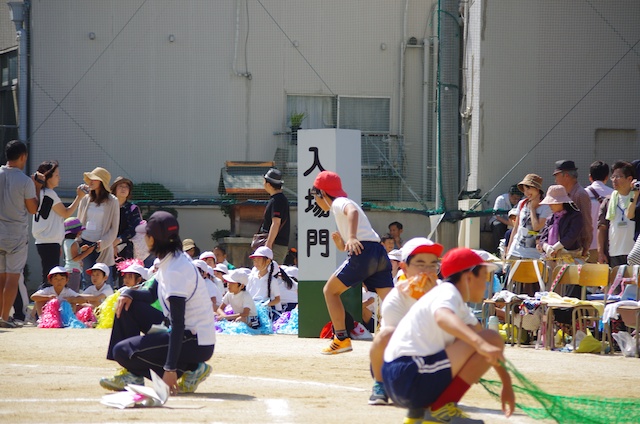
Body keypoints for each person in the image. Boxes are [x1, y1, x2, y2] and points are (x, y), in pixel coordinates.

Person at [382, 248, 513, 423]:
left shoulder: (454, 301)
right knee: (487, 338)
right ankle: (441, 409)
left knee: (485, 337)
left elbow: (488, 342)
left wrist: (506, 383)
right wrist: (479, 343)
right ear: (468, 278)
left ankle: (418, 415)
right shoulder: (447, 292)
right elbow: (442, 316)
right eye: (483, 276)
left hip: (399, 377)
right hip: (408, 375)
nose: (486, 284)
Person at [100, 211, 215, 395]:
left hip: (195, 341)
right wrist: (129, 292)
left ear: (153, 239)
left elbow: (178, 324)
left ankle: (189, 369)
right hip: (182, 332)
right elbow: (152, 294)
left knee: (122, 351)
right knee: (128, 306)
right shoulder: (170, 258)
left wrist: (169, 369)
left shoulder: (176, 269)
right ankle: (133, 373)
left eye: (146, 234)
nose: (144, 237)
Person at [310, 170, 394, 354]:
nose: (314, 199)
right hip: (378, 252)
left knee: (330, 291)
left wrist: (353, 236)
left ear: (322, 193)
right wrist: (344, 244)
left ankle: (341, 338)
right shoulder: (339, 205)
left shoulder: (339, 203)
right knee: (392, 301)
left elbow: (353, 211)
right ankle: (413, 337)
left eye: (314, 194)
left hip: (363, 252)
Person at [368, 237, 444, 406]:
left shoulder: (443, 292)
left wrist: (434, 298)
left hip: (433, 359)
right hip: (398, 362)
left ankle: (449, 393)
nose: (427, 270)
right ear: (404, 267)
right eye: (420, 264)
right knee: (385, 333)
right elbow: (400, 342)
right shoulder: (396, 298)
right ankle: (380, 384)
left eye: (433, 265)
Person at [0, 140, 43, 327]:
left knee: (0, 277)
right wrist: (37, 187)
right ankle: (4, 318)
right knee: (12, 277)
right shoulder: (25, 181)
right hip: (16, 233)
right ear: (23, 156)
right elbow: (33, 209)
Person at [31, 160, 87, 289]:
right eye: (56, 175)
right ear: (48, 177)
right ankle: (42, 308)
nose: (59, 177)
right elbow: (66, 213)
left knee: (49, 276)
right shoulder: (50, 194)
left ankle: (42, 308)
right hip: (49, 242)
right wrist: (79, 197)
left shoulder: (41, 193)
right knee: (50, 279)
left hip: (45, 241)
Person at [77, 167, 120, 286]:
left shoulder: (113, 201)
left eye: (94, 179)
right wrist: (78, 242)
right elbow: (79, 222)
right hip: (85, 244)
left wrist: (102, 244)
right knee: (87, 280)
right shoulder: (85, 199)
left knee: (105, 282)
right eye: (89, 178)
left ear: (102, 182)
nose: (90, 181)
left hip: (102, 246)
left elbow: (114, 229)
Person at [597, 161, 638, 266]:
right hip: (614, 253)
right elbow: (602, 228)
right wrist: (601, 252)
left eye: (618, 177)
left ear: (629, 179)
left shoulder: (637, 198)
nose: (614, 180)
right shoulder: (608, 201)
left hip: (635, 253)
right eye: (613, 177)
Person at [506, 174, 552, 260]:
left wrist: (532, 209)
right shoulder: (522, 203)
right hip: (516, 250)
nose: (526, 192)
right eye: (524, 189)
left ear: (537, 189)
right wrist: (508, 249)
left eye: (529, 188)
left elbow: (536, 227)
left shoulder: (546, 207)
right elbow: (516, 228)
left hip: (534, 254)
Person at [552, 160, 592, 257]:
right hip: (561, 246)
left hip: (575, 249)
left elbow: (586, 221)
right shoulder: (564, 193)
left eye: (557, 176)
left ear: (566, 176)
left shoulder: (580, 194)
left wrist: (586, 245)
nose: (555, 180)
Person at [537, 185, 585, 262]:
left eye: (552, 203)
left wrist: (555, 248)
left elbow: (571, 236)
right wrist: (547, 247)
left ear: (560, 203)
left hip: (568, 259)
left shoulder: (575, 216)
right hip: (549, 258)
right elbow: (543, 237)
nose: (549, 205)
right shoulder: (550, 218)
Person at [260, 168, 290, 263]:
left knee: (271, 274)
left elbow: (276, 223)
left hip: (275, 246)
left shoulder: (277, 200)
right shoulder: (279, 199)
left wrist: (268, 245)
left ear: (268, 184)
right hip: (276, 245)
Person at [585, 161, 614, 263]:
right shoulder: (613, 194)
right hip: (607, 246)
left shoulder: (583, 194)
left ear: (590, 177)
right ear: (607, 177)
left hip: (586, 246)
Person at [111, 177, 142, 261]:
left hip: (127, 249)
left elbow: (134, 229)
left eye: (126, 187)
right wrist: (110, 244)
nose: (123, 189)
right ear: (115, 189)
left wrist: (117, 241)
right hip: (106, 246)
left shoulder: (133, 208)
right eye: (120, 186)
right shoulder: (107, 207)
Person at [246, 246, 282, 320]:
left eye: (259, 259)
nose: (256, 262)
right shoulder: (251, 278)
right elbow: (247, 294)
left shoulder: (272, 280)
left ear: (268, 261)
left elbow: (277, 299)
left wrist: (265, 305)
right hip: (251, 308)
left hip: (264, 312)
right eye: (255, 260)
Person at [62, 217, 95, 292]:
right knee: (73, 292)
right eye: (79, 230)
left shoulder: (67, 242)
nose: (81, 232)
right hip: (73, 271)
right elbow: (75, 258)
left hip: (69, 270)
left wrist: (80, 249)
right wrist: (88, 252)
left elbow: (71, 254)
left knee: (68, 291)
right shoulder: (74, 243)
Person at [488, 185, 522, 254]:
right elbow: (497, 216)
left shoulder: (522, 201)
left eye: (518, 199)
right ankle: (497, 251)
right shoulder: (501, 199)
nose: (516, 201)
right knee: (498, 225)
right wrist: (509, 223)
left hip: (513, 222)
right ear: (509, 195)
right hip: (500, 221)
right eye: (514, 198)